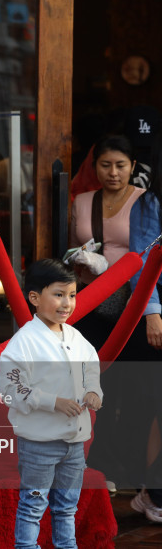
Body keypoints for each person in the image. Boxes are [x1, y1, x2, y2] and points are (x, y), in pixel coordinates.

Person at [0, 258, 102, 549]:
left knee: (67, 506)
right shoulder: (24, 342)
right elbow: (10, 386)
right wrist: (51, 402)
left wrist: (94, 391)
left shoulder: (76, 337)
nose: (67, 303)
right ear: (34, 297)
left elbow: (91, 368)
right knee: (33, 506)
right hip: (40, 443)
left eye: (72, 295)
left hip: (75, 443)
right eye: (58, 294)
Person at [69, 135, 145, 490]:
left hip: (135, 306)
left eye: (120, 165)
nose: (113, 173)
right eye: (105, 165)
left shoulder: (145, 203)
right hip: (91, 302)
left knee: (132, 388)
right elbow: (68, 247)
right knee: (92, 385)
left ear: (133, 167)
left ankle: (128, 467)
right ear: (94, 166)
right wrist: (80, 258)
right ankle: (99, 464)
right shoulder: (82, 201)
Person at [126, 133, 162, 522]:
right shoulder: (151, 202)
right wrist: (151, 312)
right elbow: (145, 258)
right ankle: (153, 492)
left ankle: (150, 491)